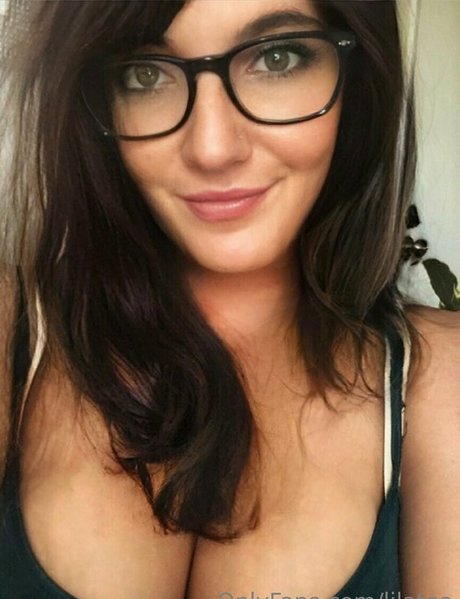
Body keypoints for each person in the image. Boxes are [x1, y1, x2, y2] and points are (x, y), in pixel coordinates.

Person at [0, 0, 459, 597]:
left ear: (358, 81)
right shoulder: (13, 325)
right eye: (145, 73)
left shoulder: (439, 381)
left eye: (277, 57)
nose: (212, 149)